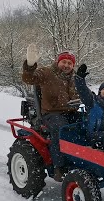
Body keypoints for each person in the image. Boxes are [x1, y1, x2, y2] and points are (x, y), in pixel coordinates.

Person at [22, 43, 81, 182]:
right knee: (60, 130)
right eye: (64, 62)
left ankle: (83, 157)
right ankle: (59, 167)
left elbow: (82, 94)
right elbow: (29, 79)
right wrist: (30, 66)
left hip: (71, 112)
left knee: (89, 125)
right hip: (51, 114)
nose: (66, 65)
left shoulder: (74, 78)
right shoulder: (47, 72)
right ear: (58, 61)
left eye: (69, 63)